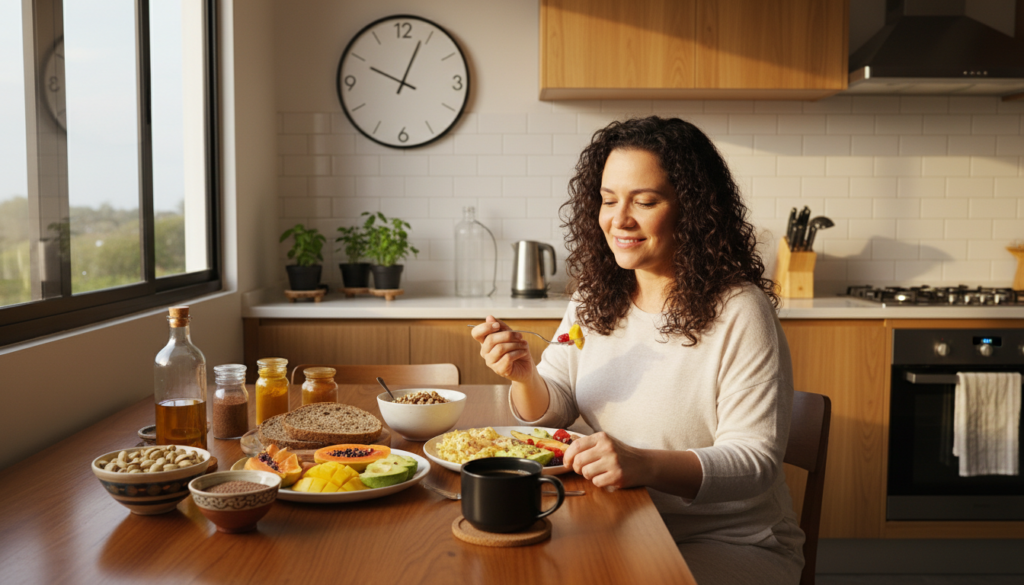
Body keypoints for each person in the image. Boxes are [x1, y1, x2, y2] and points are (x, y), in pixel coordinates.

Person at [470, 116, 803, 584]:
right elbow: (556, 403)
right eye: (608, 200)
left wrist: (642, 464)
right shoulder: (594, 298)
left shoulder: (740, 311)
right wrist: (525, 376)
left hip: (724, 541)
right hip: (617, 520)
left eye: (644, 201)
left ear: (694, 209)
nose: (619, 219)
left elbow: (755, 462)